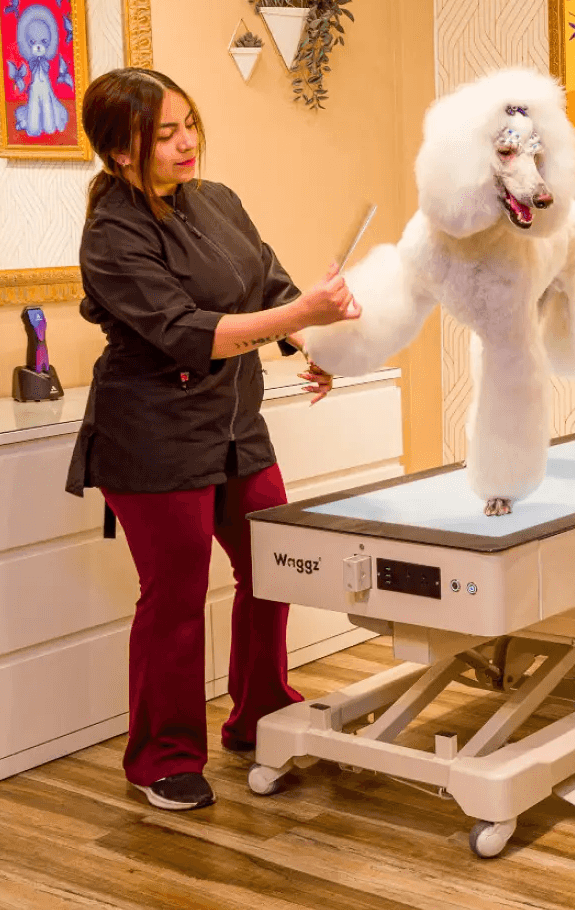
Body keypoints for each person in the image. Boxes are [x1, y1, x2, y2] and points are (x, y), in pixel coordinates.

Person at [65, 67, 362, 812]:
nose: (186, 141)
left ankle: (261, 713)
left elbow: (266, 283)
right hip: (154, 435)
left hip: (234, 423)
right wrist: (301, 320)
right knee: (176, 597)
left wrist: (306, 343)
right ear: (120, 150)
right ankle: (160, 757)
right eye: (164, 133)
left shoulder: (215, 200)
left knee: (277, 562)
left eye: (189, 123)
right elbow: (186, 332)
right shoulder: (111, 234)